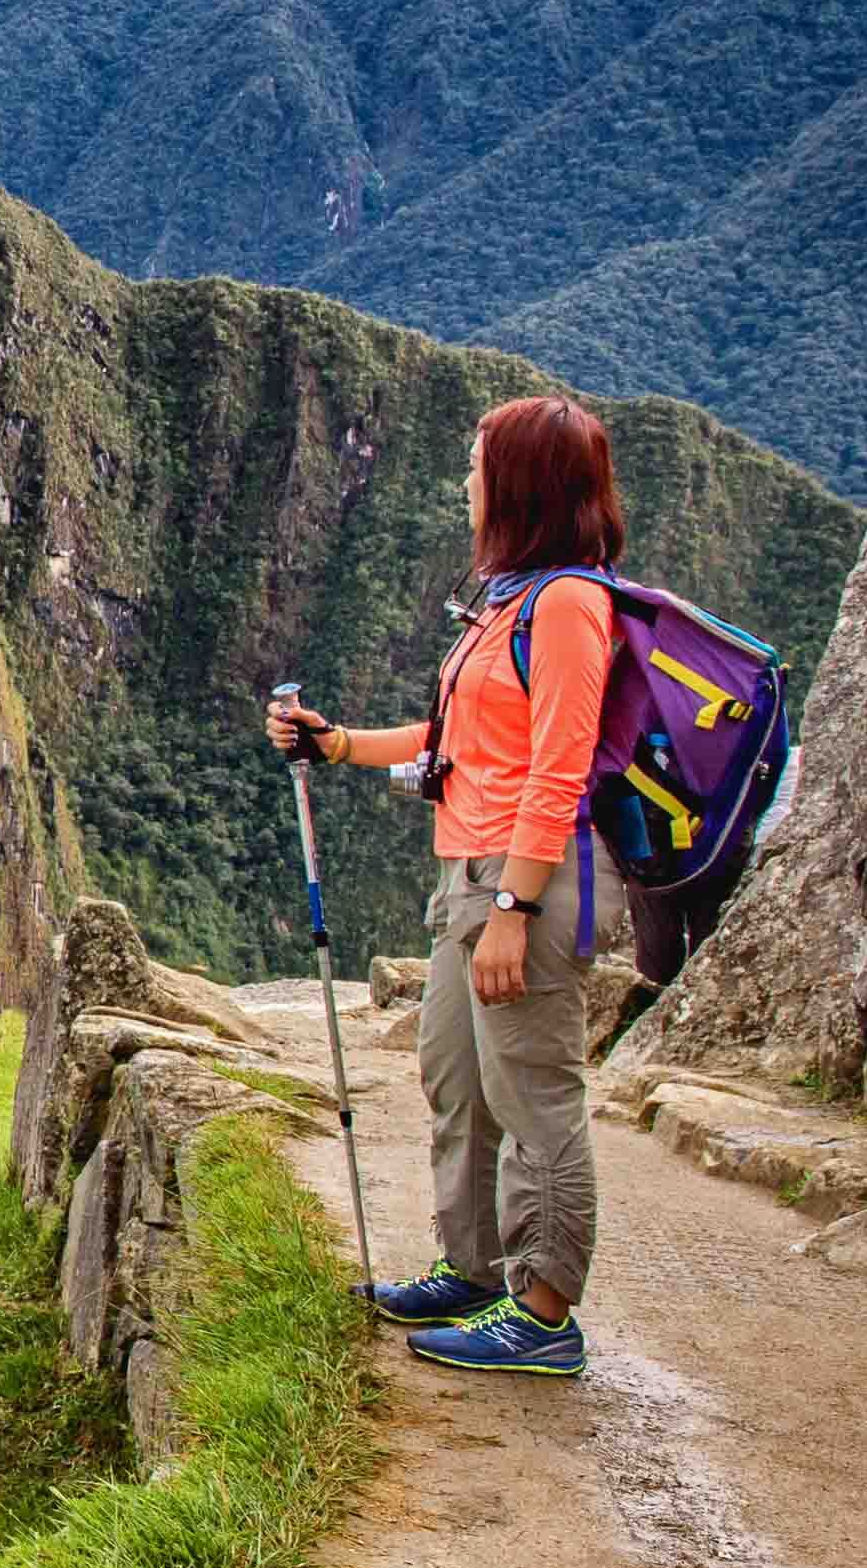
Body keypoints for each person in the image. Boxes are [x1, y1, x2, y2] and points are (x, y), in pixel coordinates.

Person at [262, 394, 619, 1381]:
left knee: (533, 1094)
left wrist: (513, 906)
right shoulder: (509, 602)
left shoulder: (570, 607)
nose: (464, 484)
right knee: (458, 1081)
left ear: (519, 487)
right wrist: (335, 745)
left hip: (523, 885)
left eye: (476, 468)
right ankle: (474, 1271)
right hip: (466, 877)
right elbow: (450, 743)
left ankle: (544, 1312)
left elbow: (561, 765)